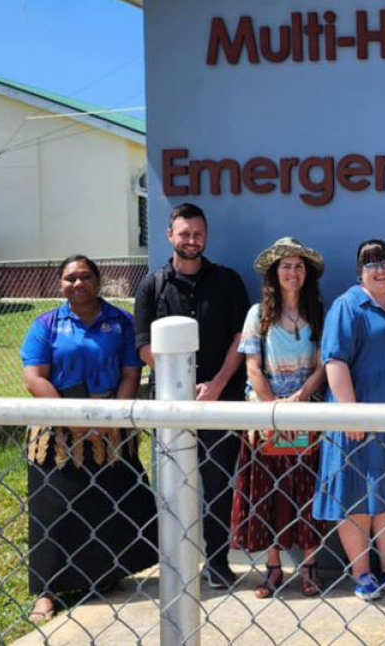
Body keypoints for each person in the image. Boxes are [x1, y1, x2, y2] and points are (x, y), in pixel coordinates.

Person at [22, 255, 158, 625]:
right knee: (54, 511)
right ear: (60, 284)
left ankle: (102, 576)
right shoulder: (46, 325)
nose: (78, 284)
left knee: (108, 503)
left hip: (110, 428)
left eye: (85, 277)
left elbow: (132, 372)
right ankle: (47, 592)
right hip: (58, 430)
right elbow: (34, 377)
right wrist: (73, 419)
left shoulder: (122, 323)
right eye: (70, 278)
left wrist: (113, 416)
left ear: (98, 281)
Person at [133, 202, 249, 589]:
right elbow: (144, 347)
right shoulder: (152, 285)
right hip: (171, 406)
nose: (191, 241)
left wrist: (216, 385)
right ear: (170, 236)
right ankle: (176, 563)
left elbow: (241, 340)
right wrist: (179, 386)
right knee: (173, 485)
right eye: (184, 234)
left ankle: (216, 561)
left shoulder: (228, 282)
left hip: (221, 403)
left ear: (206, 236)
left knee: (217, 485)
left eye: (198, 234)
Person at [313, 239, 385, 601]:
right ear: (359, 272)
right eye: (371, 265)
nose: (381, 271)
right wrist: (350, 413)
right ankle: (363, 573)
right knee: (355, 497)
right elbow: (335, 361)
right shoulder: (347, 307)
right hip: (355, 424)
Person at [230, 238, 327, 598]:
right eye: (286, 266)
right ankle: (273, 567)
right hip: (265, 417)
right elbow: (252, 366)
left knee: (306, 491)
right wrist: (273, 409)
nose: (293, 272)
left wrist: (300, 400)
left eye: (299, 266)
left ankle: (311, 566)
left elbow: (323, 366)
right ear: (275, 273)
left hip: (306, 415)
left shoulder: (318, 312)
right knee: (269, 491)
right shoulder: (258, 314)